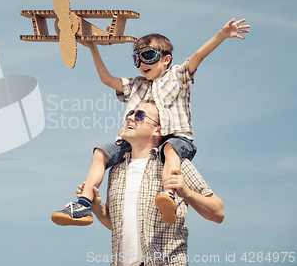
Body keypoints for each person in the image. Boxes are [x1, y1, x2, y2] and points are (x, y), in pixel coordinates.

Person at [51, 18, 248, 226]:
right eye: (138, 59)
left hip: (177, 137)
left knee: (170, 149)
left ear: (166, 59)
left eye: (148, 56)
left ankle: (168, 196)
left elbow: (198, 56)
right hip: (142, 141)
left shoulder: (177, 76)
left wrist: (222, 35)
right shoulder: (137, 85)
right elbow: (108, 80)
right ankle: (83, 204)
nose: (143, 64)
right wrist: (92, 48)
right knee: (100, 152)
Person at [77, 101, 224, 266]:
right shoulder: (116, 171)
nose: (131, 118)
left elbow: (218, 213)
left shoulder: (175, 164)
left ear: (158, 130)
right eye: (130, 114)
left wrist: (186, 193)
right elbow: (120, 227)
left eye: (139, 115)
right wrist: (100, 210)